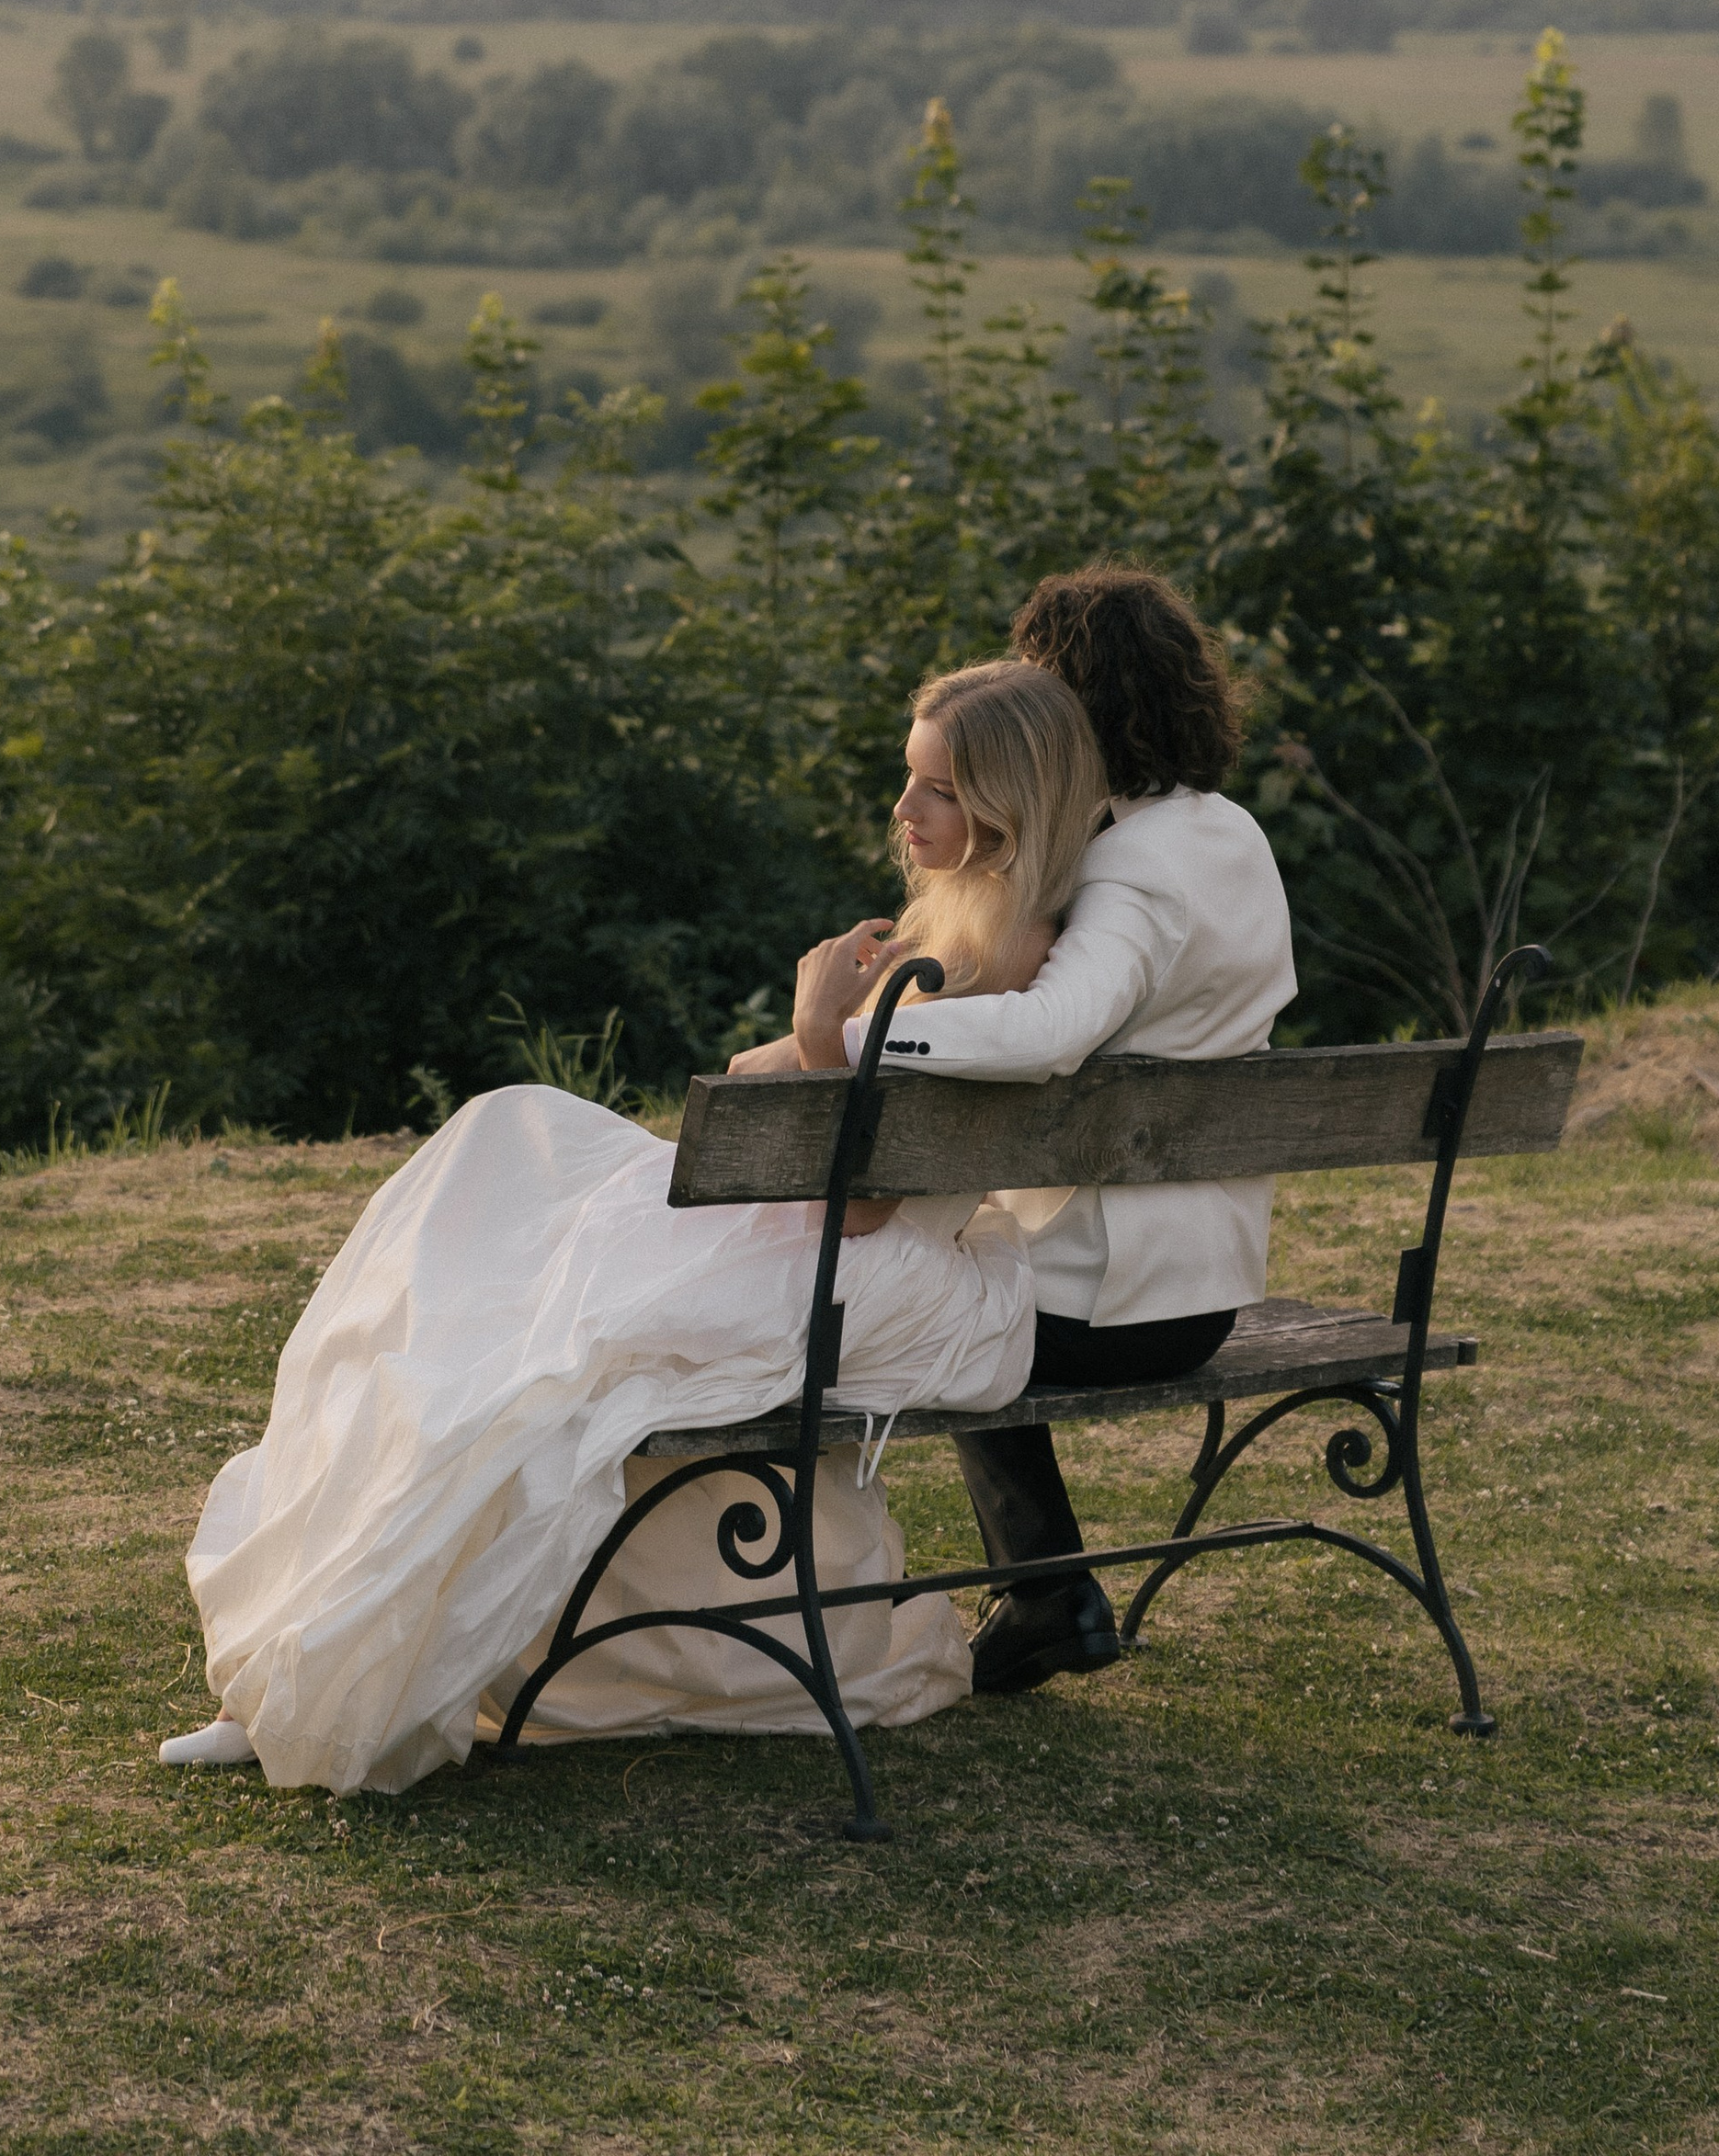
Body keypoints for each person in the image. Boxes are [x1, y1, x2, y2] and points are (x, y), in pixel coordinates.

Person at [159, 659, 1109, 1797]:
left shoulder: (1001, 967)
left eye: (940, 792)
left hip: (860, 1260)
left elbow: (862, 1201)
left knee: (525, 1362)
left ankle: (312, 1679)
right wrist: (802, 1052)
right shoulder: (958, 926)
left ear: (1014, 806)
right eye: (909, 781)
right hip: (808, 1231)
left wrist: (815, 1032)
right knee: (491, 1186)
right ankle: (285, 1673)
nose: (904, 814)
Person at [778, 564, 1297, 1698]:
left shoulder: (1129, 867)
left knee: (920, 1298)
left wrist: (860, 1037)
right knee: (955, 1269)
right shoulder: (1232, 835)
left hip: (1111, 1303)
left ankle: (1046, 1592)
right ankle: (1045, 1590)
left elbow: (1055, 1028)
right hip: (1205, 1284)